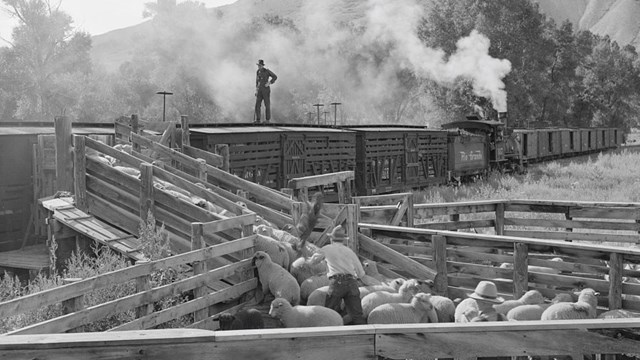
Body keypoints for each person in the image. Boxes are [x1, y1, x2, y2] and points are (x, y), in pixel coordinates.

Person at [309, 225, 367, 325]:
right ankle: (365, 337)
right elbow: (361, 273)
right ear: (343, 240)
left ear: (331, 238)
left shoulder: (326, 249)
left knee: (329, 313)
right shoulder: (349, 251)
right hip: (352, 282)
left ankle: (328, 336)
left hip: (336, 282)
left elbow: (313, 262)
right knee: (357, 315)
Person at [254, 59, 277, 124]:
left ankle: (267, 120)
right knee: (257, 105)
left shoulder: (267, 71)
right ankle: (258, 120)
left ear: (262, 65)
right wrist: (256, 90)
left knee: (267, 105)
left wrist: (269, 82)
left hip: (266, 90)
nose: (259, 66)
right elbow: (257, 82)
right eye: (258, 65)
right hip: (259, 90)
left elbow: (275, 77)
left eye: (260, 65)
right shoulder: (258, 71)